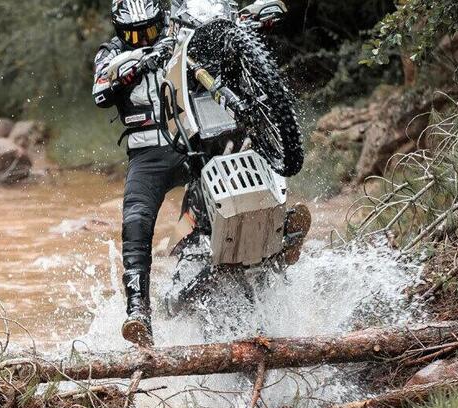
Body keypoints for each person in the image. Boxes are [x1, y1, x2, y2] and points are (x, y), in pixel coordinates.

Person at [92, 0, 301, 348]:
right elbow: (100, 90)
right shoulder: (110, 53)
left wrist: (244, 20)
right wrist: (135, 62)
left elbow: (212, 26)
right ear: (119, 30)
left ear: (162, 18)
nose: (144, 37)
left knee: (240, 157)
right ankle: (138, 311)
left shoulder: (179, 27)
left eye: (150, 30)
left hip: (194, 137)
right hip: (148, 151)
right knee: (136, 217)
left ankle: (279, 229)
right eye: (134, 34)